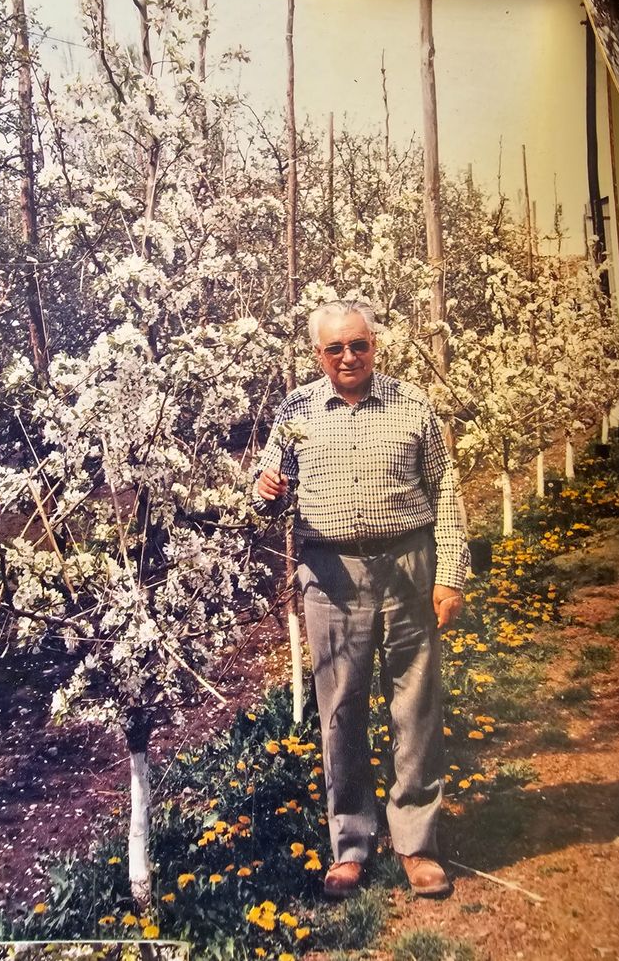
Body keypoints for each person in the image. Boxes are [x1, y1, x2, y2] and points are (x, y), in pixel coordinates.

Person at [253, 300, 469, 899]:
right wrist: (265, 490)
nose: (348, 357)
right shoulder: (295, 411)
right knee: (341, 711)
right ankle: (350, 844)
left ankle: (417, 843)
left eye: (359, 345)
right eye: (335, 348)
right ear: (318, 354)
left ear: (374, 345)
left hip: (407, 565)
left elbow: (446, 490)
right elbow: (265, 497)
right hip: (330, 575)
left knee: (415, 707)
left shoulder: (412, 404)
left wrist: (450, 574)